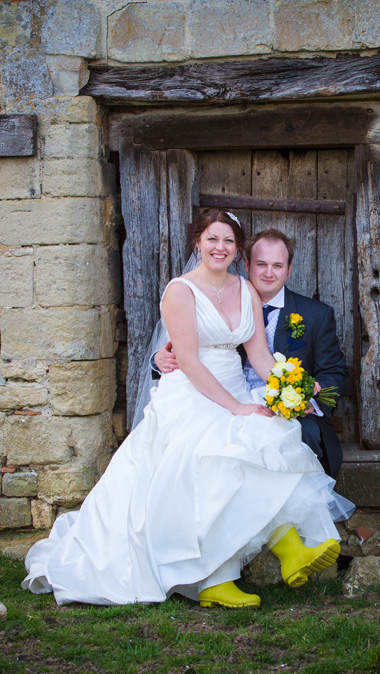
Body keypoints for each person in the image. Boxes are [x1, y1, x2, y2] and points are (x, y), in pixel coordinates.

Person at [21, 208, 353, 609]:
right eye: (213, 238)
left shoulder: (244, 289)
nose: (220, 247)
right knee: (211, 463)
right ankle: (215, 580)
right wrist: (236, 408)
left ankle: (288, 552)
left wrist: (294, 386)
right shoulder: (180, 291)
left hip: (232, 386)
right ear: (198, 242)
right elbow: (190, 361)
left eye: (229, 241)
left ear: (237, 250)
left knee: (264, 443)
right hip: (192, 393)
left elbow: (261, 356)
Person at [153, 228, 350, 479]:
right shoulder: (220, 303)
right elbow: (195, 347)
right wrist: (161, 359)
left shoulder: (316, 315)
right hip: (223, 398)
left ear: (289, 269)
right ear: (246, 265)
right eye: (261, 264)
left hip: (285, 408)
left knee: (298, 435)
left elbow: (336, 373)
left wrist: (307, 399)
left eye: (277, 265)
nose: (269, 273)